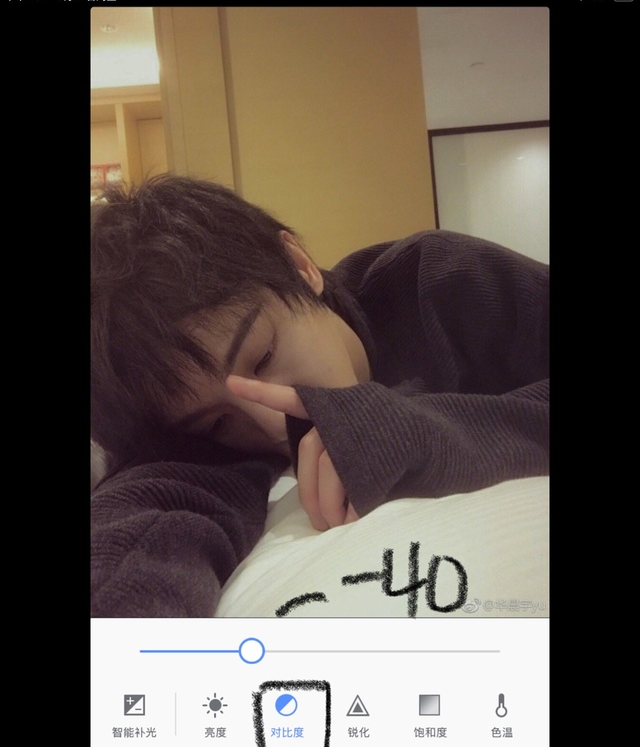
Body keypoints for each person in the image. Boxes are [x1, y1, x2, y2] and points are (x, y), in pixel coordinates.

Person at [91, 174, 549, 617]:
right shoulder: (205, 439)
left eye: (263, 357)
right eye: (218, 422)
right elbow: (144, 521)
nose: (274, 424)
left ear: (300, 265)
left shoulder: (441, 280)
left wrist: (428, 433)